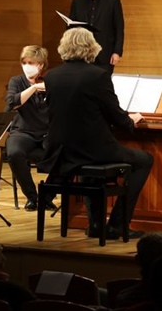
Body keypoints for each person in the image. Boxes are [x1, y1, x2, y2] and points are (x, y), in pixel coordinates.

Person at [37, 27, 153, 240]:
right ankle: (118, 224)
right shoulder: (98, 75)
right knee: (144, 160)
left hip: (61, 150)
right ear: (91, 48)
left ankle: (97, 225)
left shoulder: (52, 76)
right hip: (93, 149)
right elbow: (115, 116)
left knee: (89, 165)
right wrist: (131, 120)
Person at [5, 45, 56, 212]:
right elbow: (12, 103)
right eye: (24, 62)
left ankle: (47, 196)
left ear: (41, 65)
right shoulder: (16, 81)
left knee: (66, 153)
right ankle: (32, 197)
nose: (27, 66)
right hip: (23, 131)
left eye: (31, 62)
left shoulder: (51, 81)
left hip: (48, 133)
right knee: (14, 153)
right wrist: (33, 88)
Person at [68, 0, 124, 73]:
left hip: (105, 54)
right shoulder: (77, 2)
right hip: (82, 54)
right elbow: (70, 28)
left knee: (102, 86)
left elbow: (119, 29)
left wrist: (117, 52)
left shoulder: (113, 1)